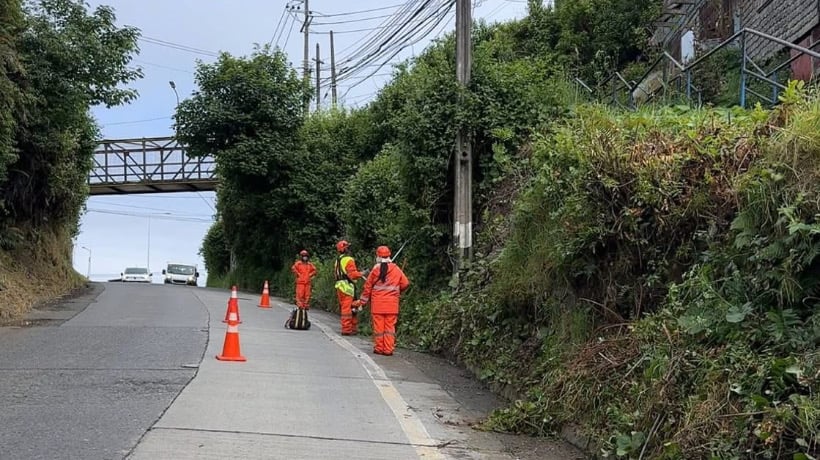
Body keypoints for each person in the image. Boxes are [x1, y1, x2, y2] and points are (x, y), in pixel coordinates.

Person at [355, 245, 410, 356]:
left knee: (379, 328)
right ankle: (388, 349)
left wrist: (362, 302)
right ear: (389, 255)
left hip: (378, 305)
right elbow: (405, 283)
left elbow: (367, 288)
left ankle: (379, 348)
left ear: (378, 256)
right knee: (390, 328)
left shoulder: (375, 270)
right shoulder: (396, 269)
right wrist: (397, 291)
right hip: (392, 305)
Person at [334, 240, 367, 335]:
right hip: (347, 287)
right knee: (348, 309)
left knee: (349, 307)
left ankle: (352, 328)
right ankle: (347, 329)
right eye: (347, 247)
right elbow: (352, 274)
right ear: (345, 249)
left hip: (340, 286)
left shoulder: (338, 260)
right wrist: (362, 273)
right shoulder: (349, 259)